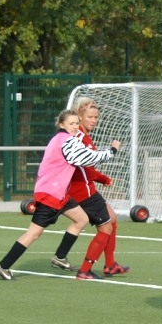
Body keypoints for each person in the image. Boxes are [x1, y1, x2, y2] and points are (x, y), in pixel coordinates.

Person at [0, 109, 121, 281]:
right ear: (61, 124)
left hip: (60, 194)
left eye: (77, 123)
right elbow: (87, 158)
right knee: (34, 233)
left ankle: (60, 257)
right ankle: (3, 266)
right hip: (51, 194)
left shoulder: (61, 139)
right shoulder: (66, 140)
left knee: (81, 219)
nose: (75, 126)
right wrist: (112, 150)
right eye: (71, 123)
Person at [50, 97, 130, 278]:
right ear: (79, 116)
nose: (94, 121)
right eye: (90, 117)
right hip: (82, 191)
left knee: (112, 219)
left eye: (96, 117)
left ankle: (110, 264)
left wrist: (100, 178)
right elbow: (82, 167)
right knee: (105, 228)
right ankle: (84, 270)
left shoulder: (82, 136)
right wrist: (102, 177)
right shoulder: (79, 137)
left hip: (85, 188)